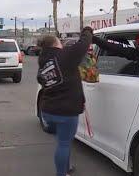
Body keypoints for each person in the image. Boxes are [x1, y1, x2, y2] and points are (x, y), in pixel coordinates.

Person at [37, 27, 93, 176]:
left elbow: (42, 80)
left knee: (63, 141)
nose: (62, 44)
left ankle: (66, 168)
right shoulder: (64, 56)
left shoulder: (43, 62)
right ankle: (62, 173)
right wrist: (87, 30)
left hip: (48, 111)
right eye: (60, 42)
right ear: (55, 44)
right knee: (64, 143)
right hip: (65, 112)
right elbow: (83, 44)